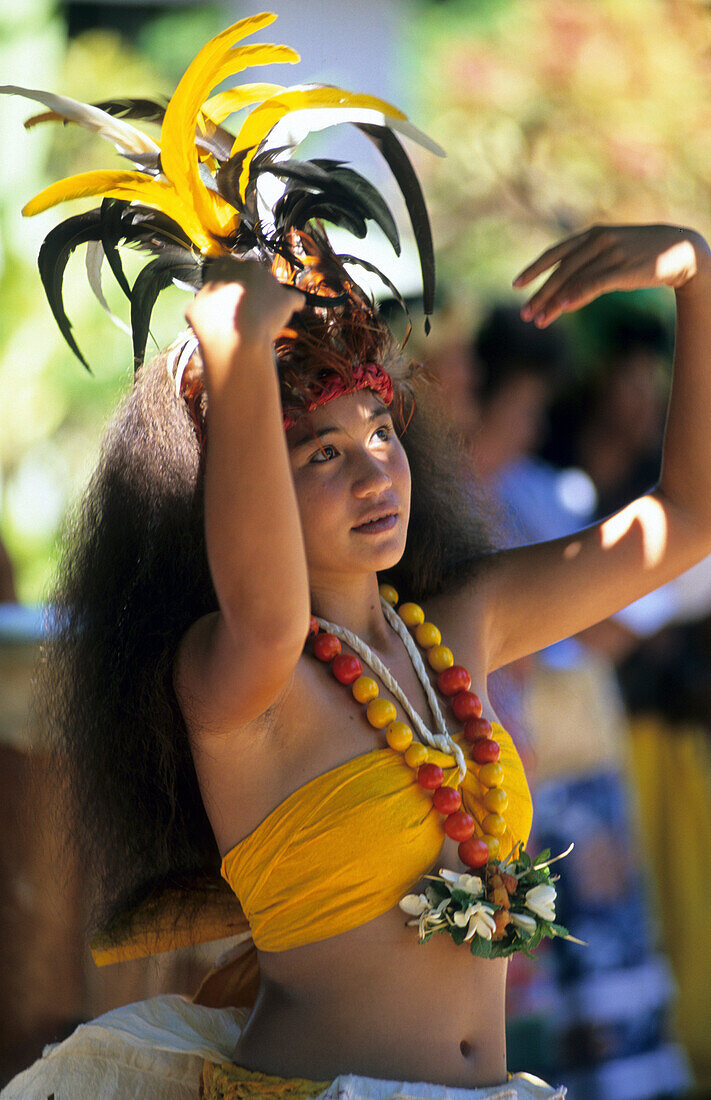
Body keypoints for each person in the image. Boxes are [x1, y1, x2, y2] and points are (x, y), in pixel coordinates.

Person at [5, 17, 711, 1100]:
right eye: (320, 452)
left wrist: (698, 284)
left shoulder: (455, 628)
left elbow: (685, 522)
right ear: (238, 481)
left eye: (381, 434)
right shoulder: (239, 677)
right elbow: (271, 613)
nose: (374, 472)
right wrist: (236, 359)